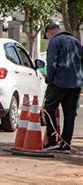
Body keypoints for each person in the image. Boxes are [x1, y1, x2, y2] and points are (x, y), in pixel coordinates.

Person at [42, 23, 82, 154]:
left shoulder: (55, 41)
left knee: (48, 109)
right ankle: (66, 145)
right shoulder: (76, 41)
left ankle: (53, 140)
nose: (47, 39)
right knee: (70, 114)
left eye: (46, 36)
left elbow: (52, 63)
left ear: (50, 32)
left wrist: (49, 79)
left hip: (59, 82)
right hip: (75, 83)